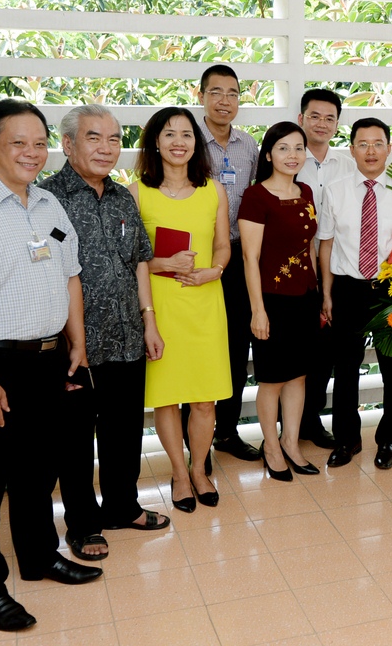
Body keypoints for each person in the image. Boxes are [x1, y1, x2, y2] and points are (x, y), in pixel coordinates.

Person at [0, 99, 101, 633]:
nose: (32, 153)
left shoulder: (50, 205)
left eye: (39, 143)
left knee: (38, 469)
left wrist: (76, 342)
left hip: (50, 358)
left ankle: (39, 556)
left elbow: (70, 275)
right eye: (18, 143)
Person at [43, 105, 170, 563]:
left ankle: (122, 506)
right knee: (75, 440)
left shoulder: (121, 197)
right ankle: (82, 524)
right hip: (74, 345)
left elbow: (140, 262)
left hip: (127, 335)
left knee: (124, 431)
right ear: (68, 144)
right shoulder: (46, 200)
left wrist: (149, 320)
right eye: (94, 137)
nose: (106, 148)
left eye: (114, 139)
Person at [129, 107, 232, 512]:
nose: (178, 142)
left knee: (205, 399)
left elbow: (222, 245)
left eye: (186, 134)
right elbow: (132, 258)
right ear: (155, 142)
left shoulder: (213, 190)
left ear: (196, 143)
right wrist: (163, 264)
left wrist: (213, 271)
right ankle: (179, 474)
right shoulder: (137, 192)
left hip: (205, 302)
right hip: (161, 306)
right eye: (169, 134)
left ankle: (200, 469)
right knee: (168, 398)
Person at [318, 118, 392, 469]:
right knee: (345, 368)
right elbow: (326, 244)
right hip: (347, 287)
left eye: (378, 143)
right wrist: (326, 294)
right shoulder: (335, 190)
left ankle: (389, 439)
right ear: (351, 149)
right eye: (363, 144)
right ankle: (347, 439)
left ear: (389, 148)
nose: (371, 151)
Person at [239, 122, 321, 481]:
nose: (293, 155)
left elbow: (310, 246)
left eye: (299, 148)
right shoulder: (256, 196)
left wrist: (319, 295)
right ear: (269, 154)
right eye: (284, 148)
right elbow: (250, 258)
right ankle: (271, 446)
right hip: (271, 301)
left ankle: (291, 441)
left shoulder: (306, 191)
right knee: (272, 380)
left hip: (305, 297)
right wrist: (257, 310)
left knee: (298, 376)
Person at [196, 64, 262, 463]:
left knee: (237, 346)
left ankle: (227, 432)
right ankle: (196, 442)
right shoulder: (186, 140)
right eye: (216, 92)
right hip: (197, 256)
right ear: (201, 95)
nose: (225, 101)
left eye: (233, 93)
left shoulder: (248, 145)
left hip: (237, 255)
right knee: (199, 345)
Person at [295, 88, 354, 449]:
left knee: (324, 351)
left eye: (329, 118)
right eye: (314, 116)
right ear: (301, 118)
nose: (321, 123)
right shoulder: (287, 158)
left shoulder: (347, 165)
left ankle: (311, 420)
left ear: (337, 124)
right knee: (294, 349)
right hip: (293, 269)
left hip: (333, 270)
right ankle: (287, 423)